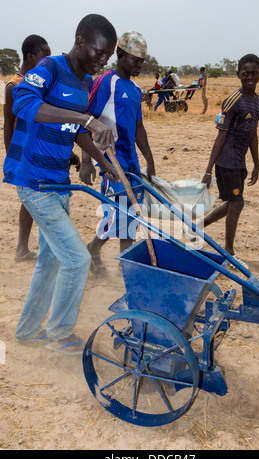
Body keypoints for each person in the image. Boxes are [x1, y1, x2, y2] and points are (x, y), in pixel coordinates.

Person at [2, 14, 119, 355]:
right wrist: (85, 117)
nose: (103, 60)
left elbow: (76, 131)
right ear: (80, 41)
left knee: (51, 261)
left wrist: (102, 160)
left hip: (57, 181)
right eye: (99, 52)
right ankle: (59, 333)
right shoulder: (50, 68)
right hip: (33, 181)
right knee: (77, 260)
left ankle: (26, 330)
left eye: (107, 56)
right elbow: (25, 103)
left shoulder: (83, 82)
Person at [80, 31, 156, 275]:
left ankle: (116, 262)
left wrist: (149, 158)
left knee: (131, 214)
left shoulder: (134, 89)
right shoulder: (105, 82)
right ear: (121, 55)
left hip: (131, 161)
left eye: (143, 61)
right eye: (136, 59)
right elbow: (86, 119)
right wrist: (87, 161)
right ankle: (104, 255)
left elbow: (138, 127)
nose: (140, 65)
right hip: (110, 161)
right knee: (120, 213)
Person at [200, 54, 259, 268]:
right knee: (237, 203)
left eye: (254, 73)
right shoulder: (233, 100)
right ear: (238, 75)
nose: (250, 77)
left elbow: (253, 133)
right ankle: (229, 251)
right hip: (227, 162)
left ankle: (199, 225)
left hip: (240, 162)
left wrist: (256, 163)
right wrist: (208, 169)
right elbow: (221, 135)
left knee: (233, 202)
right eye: (245, 74)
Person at [4, 35, 51, 263]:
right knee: (31, 199)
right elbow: (7, 125)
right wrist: (11, 158)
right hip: (23, 152)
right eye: (44, 57)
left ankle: (24, 248)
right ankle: (22, 249)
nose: (47, 62)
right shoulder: (13, 85)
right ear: (31, 57)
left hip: (38, 148)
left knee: (34, 199)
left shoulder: (39, 83)